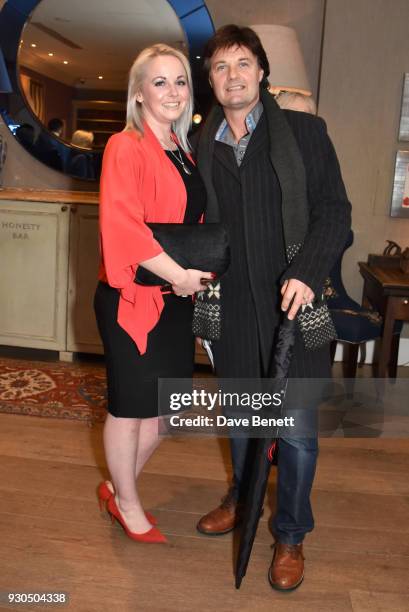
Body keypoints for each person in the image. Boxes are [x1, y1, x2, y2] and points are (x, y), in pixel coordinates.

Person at [194, 25, 351, 590]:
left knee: (299, 434)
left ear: (261, 72)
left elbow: (336, 212)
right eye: (220, 66)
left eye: (242, 63)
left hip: (294, 305)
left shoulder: (306, 133)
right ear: (210, 80)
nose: (232, 75)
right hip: (232, 306)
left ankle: (290, 534)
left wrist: (307, 273)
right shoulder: (199, 145)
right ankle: (242, 496)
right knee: (241, 422)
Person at [94, 43, 212, 544]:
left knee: (165, 411)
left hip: (175, 300)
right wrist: (179, 276)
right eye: (159, 81)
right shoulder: (126, 145)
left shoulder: (185, 152)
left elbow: (194, 225)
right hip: (133, 299)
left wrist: (204, 271)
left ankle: (119, 488)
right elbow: (125, 226)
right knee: (130, 406)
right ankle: (128, 502)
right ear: (138, 94)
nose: (172, 91)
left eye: (180, 81)